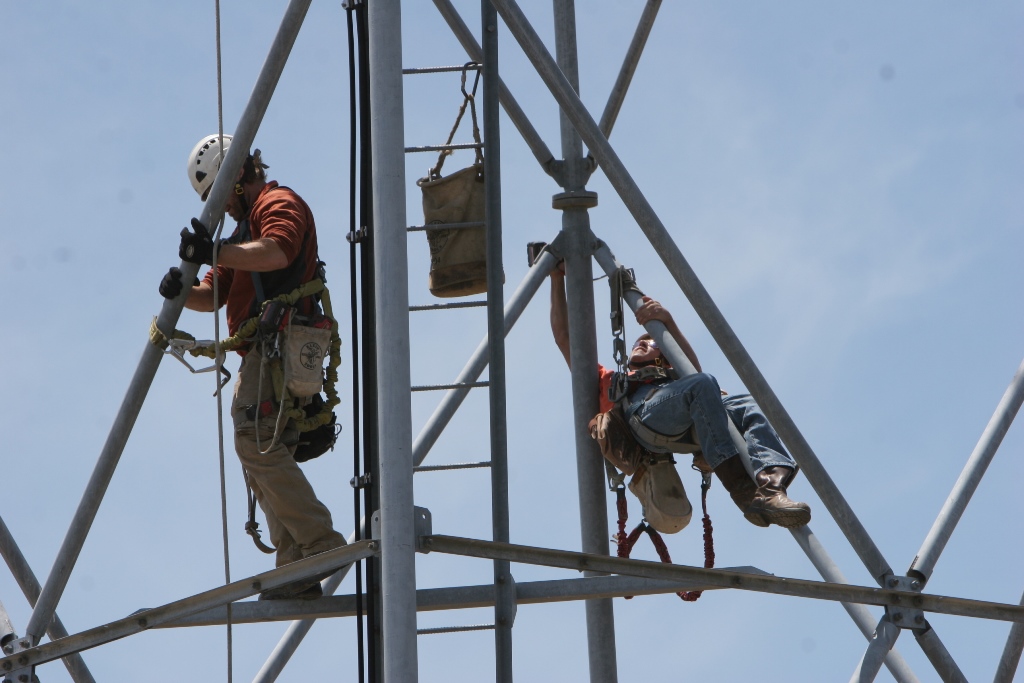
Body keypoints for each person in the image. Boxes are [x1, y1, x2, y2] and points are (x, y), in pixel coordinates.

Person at [158, 134, 347, 599]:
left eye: (219, 196)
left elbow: (278, 252)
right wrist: (179, 292)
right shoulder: (239, 236)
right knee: (260, 446)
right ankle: (295, 562)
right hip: (269, 348)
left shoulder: (278, 202)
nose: (219, 208)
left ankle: (319, 543)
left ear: (238, 177)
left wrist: (214, 252)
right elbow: (214, 291)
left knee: (255, 441)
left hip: (283, 340)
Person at [549, 263, 811, 528]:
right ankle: (745, 493)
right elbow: (564, 337)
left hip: (687, 426)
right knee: (702, 385)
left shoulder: (676, 378)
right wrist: (556, 278)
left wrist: (668, 322)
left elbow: (694, 374)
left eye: (652, 341)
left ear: (664, 356)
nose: (642, 342)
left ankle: (772, 488)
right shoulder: (610, 380)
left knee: (746, 404)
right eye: (640, 341)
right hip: (642, 421)